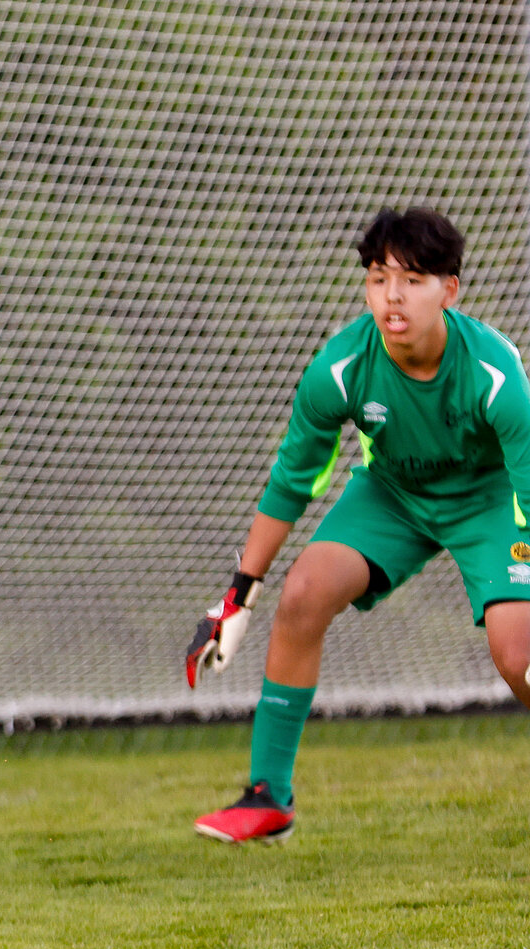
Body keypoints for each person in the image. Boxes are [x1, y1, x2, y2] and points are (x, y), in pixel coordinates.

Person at [186, 207, 530, 843]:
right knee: (303, 594)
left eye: (413, 279)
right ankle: (269, 797)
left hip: (491, 498)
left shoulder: (496, 374)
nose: (392, 296)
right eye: (378, 277)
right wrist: (240, 594)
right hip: (394, 493)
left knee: (519, 657)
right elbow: (295, 478)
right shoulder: (341, 367)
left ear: (450, 290)